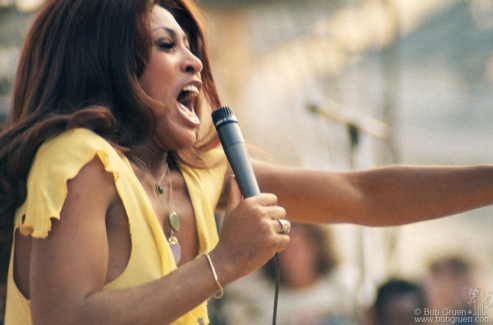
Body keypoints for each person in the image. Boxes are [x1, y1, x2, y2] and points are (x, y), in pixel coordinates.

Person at [2, 0, 493, 324]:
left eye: (190, 46)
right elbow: (65, 318)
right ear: (105, 63)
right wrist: (225, 261)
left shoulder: (199, 173)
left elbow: (363, 195)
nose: (194, 61)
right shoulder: (78, 160)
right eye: (167, 45)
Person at [220, 223, 357, 325]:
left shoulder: (344, 287)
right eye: (284, 250)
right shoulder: (262, 302)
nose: (292, 256)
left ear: (317, 246)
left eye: (299, 246)